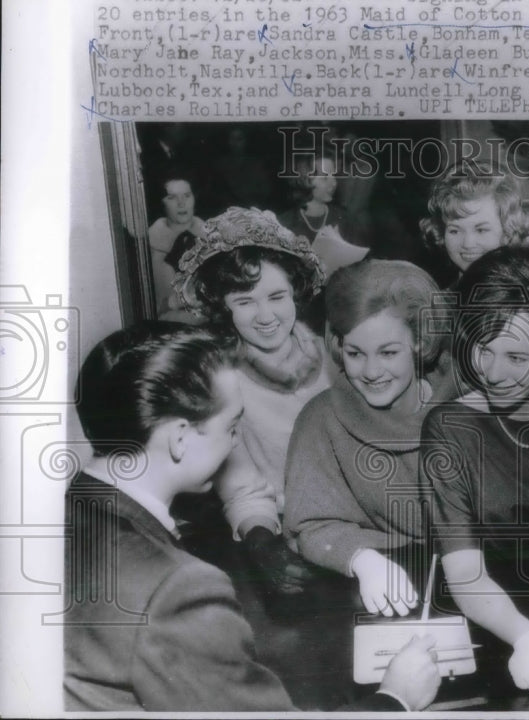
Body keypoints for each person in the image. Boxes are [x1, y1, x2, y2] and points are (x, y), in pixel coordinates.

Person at [64, 321, 441, 711]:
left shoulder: (65, 516)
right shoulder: (178, 586)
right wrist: (397, 697)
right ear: (179, 437)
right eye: (231, 426)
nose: (235, 440)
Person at [420, 246, 529, 695]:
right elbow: (465, 576)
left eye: (516, 358)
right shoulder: (451, 427)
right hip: (498, 625)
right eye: (483, 349)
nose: (492, 373)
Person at [174, 207, 330, 600]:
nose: (265, 316)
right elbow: (244, 490)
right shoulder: (221, 381)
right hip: (280, 536)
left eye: (277, 296)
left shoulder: (339, 357)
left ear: (296, 292)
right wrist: (262, 543)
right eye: (244, 301)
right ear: (223, 308)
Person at [284, 259, 453, 617]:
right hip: (377, 586)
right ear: (338, 346)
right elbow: (310, 526)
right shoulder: (321, 417)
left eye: (388, 352)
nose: (372, 371)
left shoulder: (463, 404)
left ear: (420, 342)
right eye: (355, 353)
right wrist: (361, 559)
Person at [419, 161, 529, 288]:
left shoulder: (526, 295)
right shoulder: (439, 299)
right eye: (454, 231)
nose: (467, 244)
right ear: (441, 233)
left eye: (481, 230)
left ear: (508, 232)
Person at [277, 152, 369, 276]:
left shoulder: (345, 219)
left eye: (334, 176)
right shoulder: (284, 224)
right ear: (304, 180)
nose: (334, 183)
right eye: (325, 177)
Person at [148, 174, 205, 316]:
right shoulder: (152, 248)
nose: (181, 203)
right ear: (161, 203)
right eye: (172, 197)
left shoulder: (213, 237)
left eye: (187, 195)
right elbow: (155, 311)